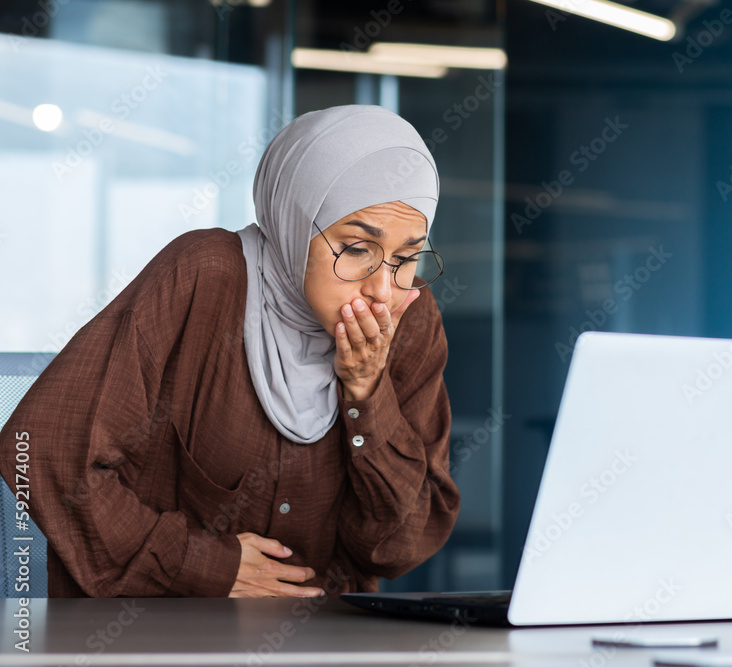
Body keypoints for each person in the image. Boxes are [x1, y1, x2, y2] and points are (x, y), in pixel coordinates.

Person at [0, 105, 460, 598]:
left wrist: (367, 394)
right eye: (355, 249)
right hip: (155, 640)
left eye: (408, 257)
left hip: (324, 641)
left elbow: (398, 547)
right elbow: (41, 451)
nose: (382, 290)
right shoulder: (205, 276)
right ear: (295, 224)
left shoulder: (409, 319)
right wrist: (202, 566)